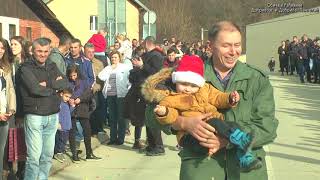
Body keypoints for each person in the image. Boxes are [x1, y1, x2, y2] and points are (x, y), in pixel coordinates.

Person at [144, 21, 278, 180]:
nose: (233, 52)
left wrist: (225, 141)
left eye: (237, 45)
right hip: (201, 168)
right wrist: (182, 123)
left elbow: (267, 126)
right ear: (210, 46)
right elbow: (150, 116)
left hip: (247, 174)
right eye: (226, 46)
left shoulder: (256, 79)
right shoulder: (186, 74)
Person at [142, 55, 261, 171]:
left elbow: (217, 97)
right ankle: (239, 142)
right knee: (214, 123)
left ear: (199, 84)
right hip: (190, 137)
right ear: (176, 81)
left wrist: (229, 98)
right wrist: (164, 112)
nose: (187, 89)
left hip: (212, 129)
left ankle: (245, 157)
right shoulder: (173, 97)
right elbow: (171, 115)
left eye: (193, 85)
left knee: (235, 126)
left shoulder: (205, 89)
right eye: (183, 84)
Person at [16, 38, 68, 180]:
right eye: (39, 51)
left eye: (46, 51)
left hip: (52, 115)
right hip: (35, 116)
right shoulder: (25, 68)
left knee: (46, 156)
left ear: (50, 51)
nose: (43, 54)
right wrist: (54, 88)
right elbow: (35, 89)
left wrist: (48, 84)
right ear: (33, 51)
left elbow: (65, 82)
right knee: (33, 157)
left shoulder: (52, 65)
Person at [134, 36, 166, 156]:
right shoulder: (148, 55)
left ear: (147, 43)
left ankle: (159, 146)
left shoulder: (156, 56)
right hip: (146, 91)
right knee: (148, 118)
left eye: (143, 42)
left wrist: (142, 66)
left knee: (152, 118)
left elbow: (156, 73)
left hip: (154, 91)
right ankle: (151, 145)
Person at [67, 65, 101, 162]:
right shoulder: (67, 83)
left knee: (87, 130)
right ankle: (74, 154)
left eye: (74, 75)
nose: (73, 78)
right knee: (72, 132)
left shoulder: (84, 82)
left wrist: (80, 99)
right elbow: (64, 93)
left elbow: (89, 94)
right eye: (71, 76)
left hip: (83, 108)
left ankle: (89, 152)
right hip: (72, 109)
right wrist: (70, 99)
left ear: (77, 73)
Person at [98, 51, 131, 145]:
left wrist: (127, 90)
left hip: (121, 95)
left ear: (119, 58)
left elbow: (130, 80)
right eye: (112, 57)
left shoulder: (125, 67)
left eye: (115, 57)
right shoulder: (108, 68)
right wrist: (110, 69)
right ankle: (112, 138)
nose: (114, 59)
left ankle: (120, 139)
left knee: (121, 118)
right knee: (112, 118)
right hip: (110, 95)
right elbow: (101, 77)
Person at [0, 38, 16, 180]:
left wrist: (11, 109)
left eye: (2, 48)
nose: (0, 50)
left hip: (5, 114)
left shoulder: (6, 67)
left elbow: (10, 89)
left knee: (1, 150)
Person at [53, 88, 73, 163]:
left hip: (67, 125)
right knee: (60, 140)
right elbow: (56, 114)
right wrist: (58, 123)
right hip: (61, 126)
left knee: (64, 140)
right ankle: (58, 152)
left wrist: (72, 106)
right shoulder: (59, 103)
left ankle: (60, 151)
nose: (68, 99)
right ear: (61, 94)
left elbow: (68, 112)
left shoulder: (66, 103)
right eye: (66, 96)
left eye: (69, 97)